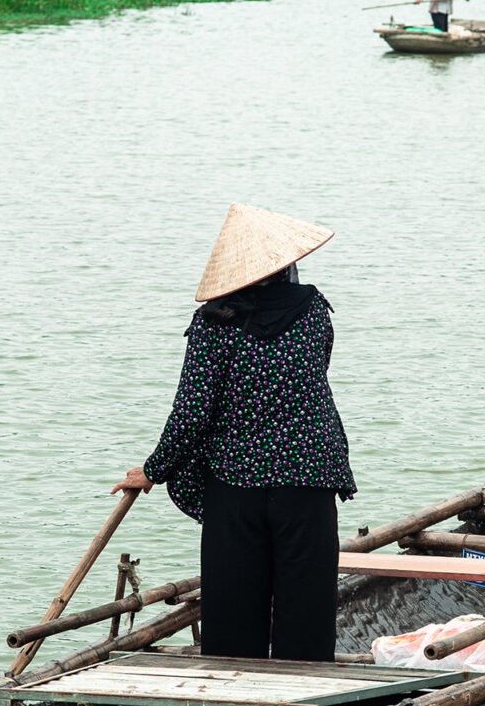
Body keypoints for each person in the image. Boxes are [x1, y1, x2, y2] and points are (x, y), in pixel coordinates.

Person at [112, 203, 355, 663]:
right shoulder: (314, 313)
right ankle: (302, 703)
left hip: (236, 482)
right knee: (307, 605)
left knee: (233, 606)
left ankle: (234, 705)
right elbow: (312, 375)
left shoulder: (213, 326)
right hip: (309, 476)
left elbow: (193, 410)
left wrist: (152, 470)